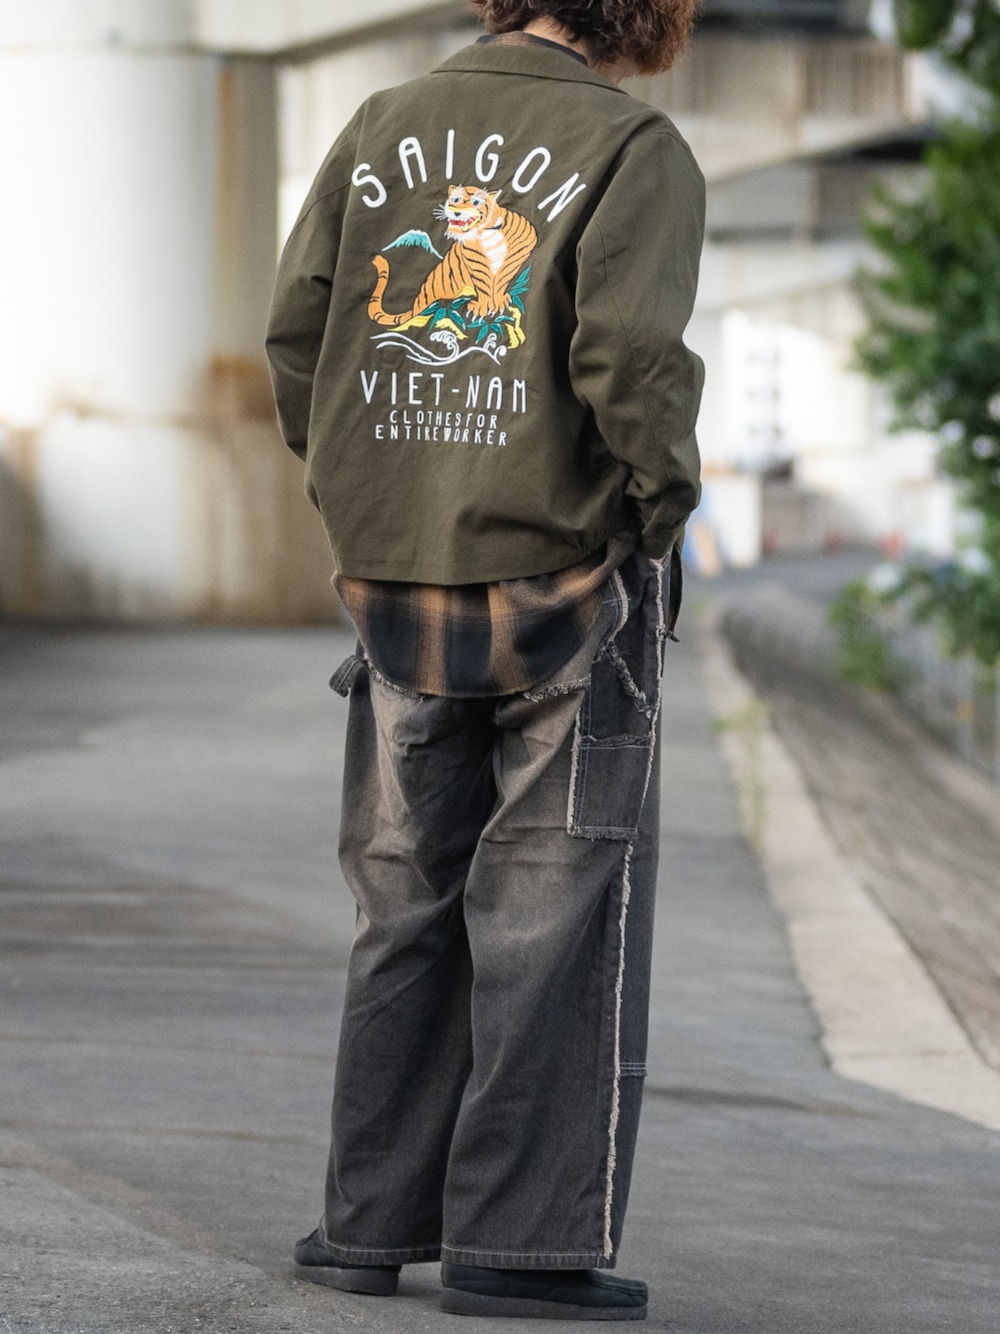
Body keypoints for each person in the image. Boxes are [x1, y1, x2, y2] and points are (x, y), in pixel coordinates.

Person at [265, 0, 704, 1320]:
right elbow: (629, 358)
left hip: (394, 576)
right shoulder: (632, 148)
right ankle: (519, 1244)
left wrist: (368, 492)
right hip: (565, 582)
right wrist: (659, 510)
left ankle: (365, 1226)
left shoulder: (381, 127)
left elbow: (299, 339)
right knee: (553, 910)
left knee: (403, 899)